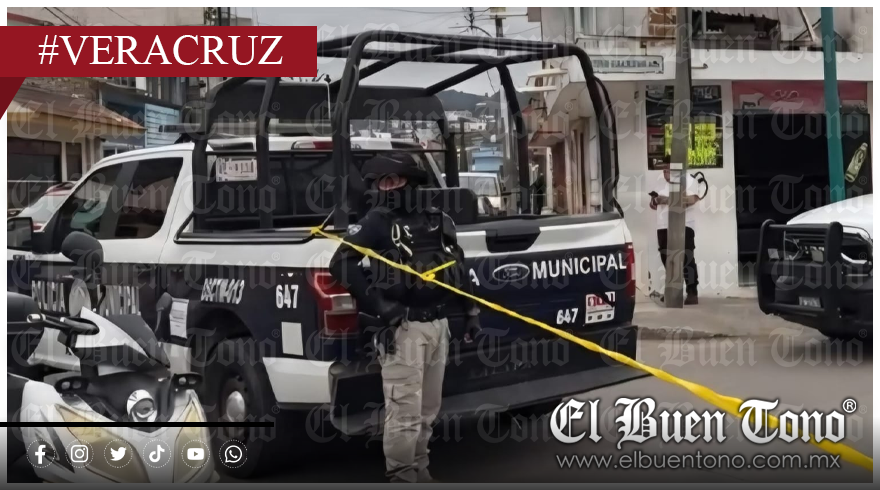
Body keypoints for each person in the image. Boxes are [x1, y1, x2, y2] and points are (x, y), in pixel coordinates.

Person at [329, 153, 481, 483]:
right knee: (404, 412)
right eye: (381, 183)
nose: (387, 188)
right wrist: (381, 306)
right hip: (404, 329)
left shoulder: (437, 219)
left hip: (438, 325)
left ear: (412, 182)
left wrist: (471, 312)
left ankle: (420, 471)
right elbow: (340, 263)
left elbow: (458, 264)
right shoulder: (376, 222)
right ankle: (401, 475)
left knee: (428, 410)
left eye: (393, 180)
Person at [649, 168, 702, 305]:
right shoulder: (659, 181)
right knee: (667, 257)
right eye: (664, 171)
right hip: (663, 224)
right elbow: (653, 203)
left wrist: (667, 200)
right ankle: (673, 291)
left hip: (683, 223)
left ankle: (692, 291)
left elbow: (691, 199)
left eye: (668, 170)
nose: (665, 174)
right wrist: (654, 201)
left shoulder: (689, 179)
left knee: (686, 257)